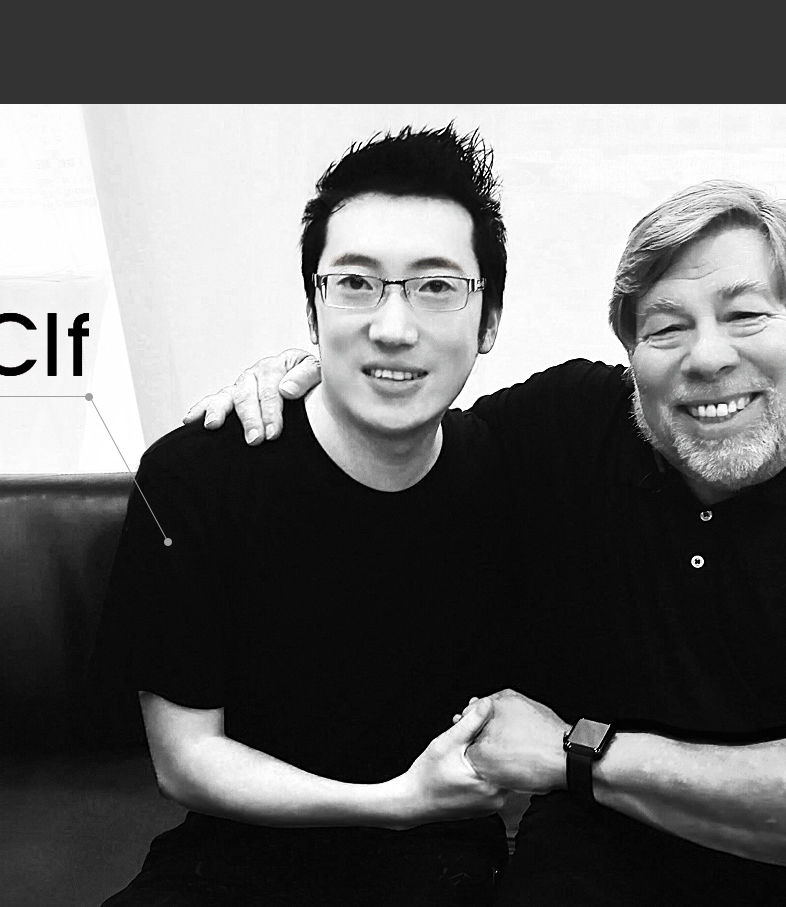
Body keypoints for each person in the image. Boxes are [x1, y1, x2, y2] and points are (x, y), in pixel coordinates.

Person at [194, 180, 786, 905]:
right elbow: (401, 451)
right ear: (631, 359)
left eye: (746, 315)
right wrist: (323, 382)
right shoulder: (567, 430)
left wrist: (577, 754)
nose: (707, 357)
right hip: (609, 864)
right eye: (665, 328)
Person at [90, 126, 520, 906]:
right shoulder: (197, 476)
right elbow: (185, 760)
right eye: (356, 283)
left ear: (487, 321)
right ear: (314, 312)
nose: (393, 327)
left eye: (436, 286)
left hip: (439, 860)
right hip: (233, 857)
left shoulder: (510, 465)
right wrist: (392, 803)